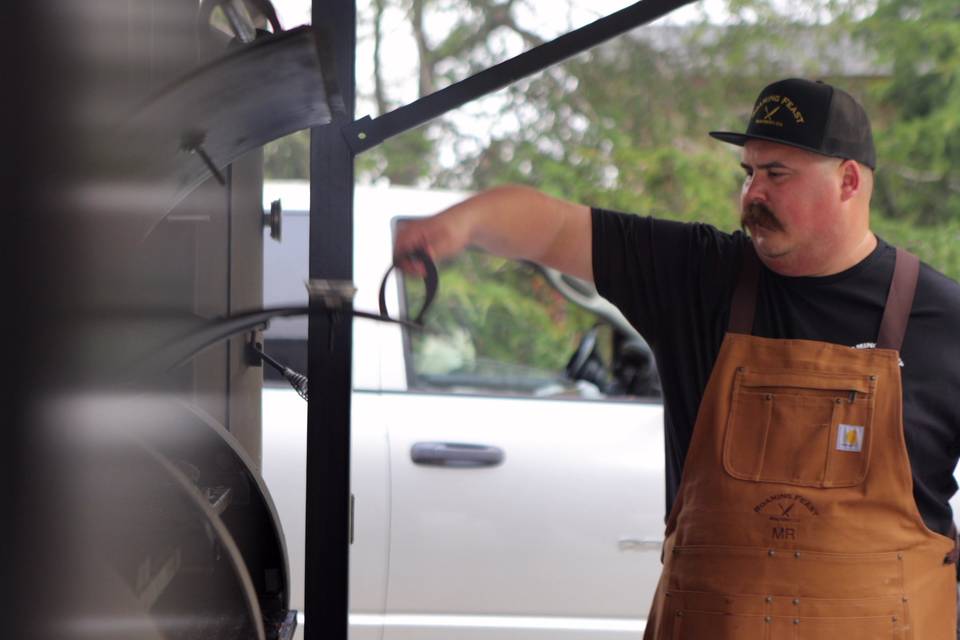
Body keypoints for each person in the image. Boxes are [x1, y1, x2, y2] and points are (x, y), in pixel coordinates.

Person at [393, 77, 960, 638]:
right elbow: (553, 226)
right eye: (749, 173)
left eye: (776, 174)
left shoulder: (943, 319)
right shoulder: (697, 276)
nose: (753, 194)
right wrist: (460, 224)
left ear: (848, 180)